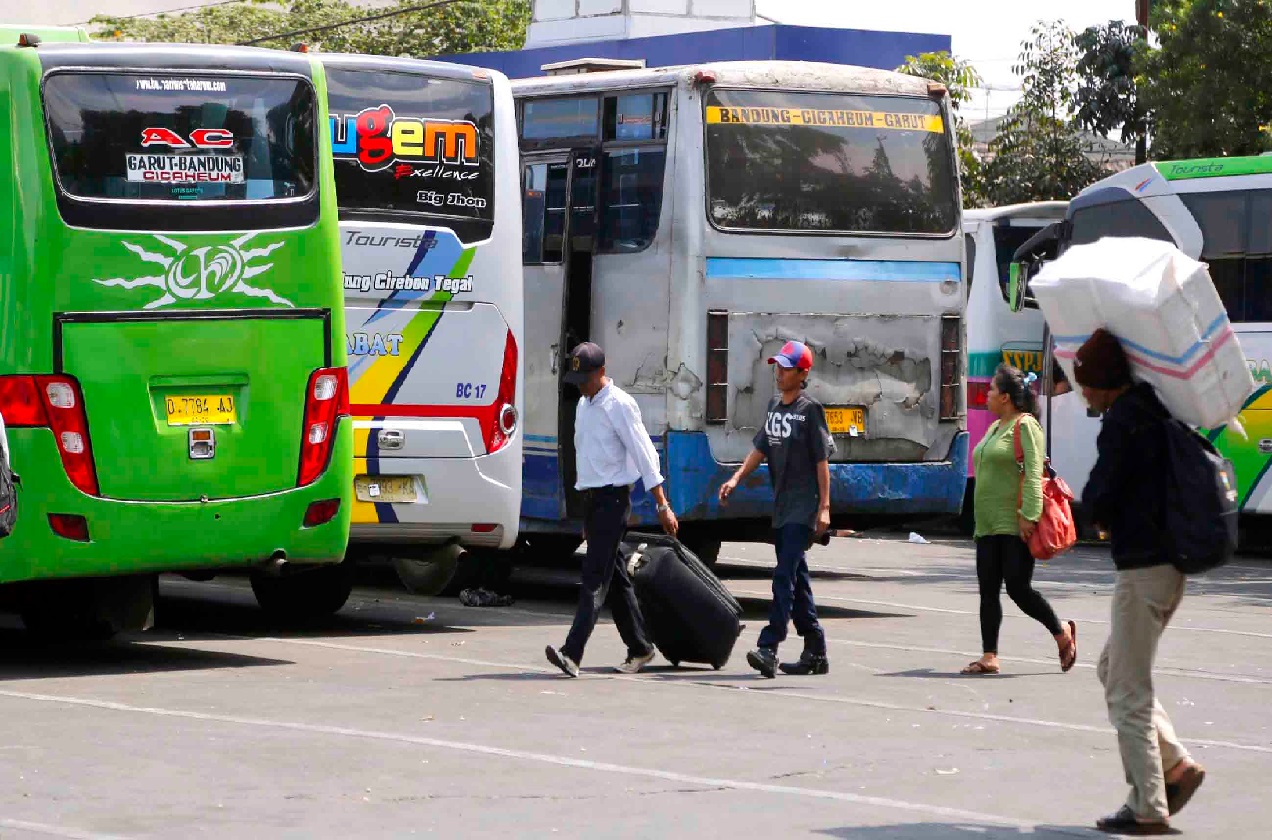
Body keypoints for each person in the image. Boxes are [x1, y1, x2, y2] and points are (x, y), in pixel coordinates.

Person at [1075, 329, 1206, 835]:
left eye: (1086, 383)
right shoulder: (1155, 410)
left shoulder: (1123, 423)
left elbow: (1101, 492)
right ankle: (1175, 763)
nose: (1083, 392)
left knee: (1127, 691)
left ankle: (1148, 805)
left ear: (1106, 380)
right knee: (1113, 667)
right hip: (1169, 567)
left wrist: (1086, 512)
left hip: (1144, 570)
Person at [545, 342, 678, 678]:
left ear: (601, 373)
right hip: (595, 502)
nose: (581, 385)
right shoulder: (583, 405)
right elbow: (587, 457)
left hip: (615, 500)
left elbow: (645, 454)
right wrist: (587, 513)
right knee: (616, 580)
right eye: (576, 379)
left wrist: (662, 504)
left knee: (593, 579)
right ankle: (641, 647)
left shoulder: (620, 405)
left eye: (585, 378)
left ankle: (572, 652)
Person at [718, 340, 832, 678]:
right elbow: (761, 448)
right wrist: (736, 478)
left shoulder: (810, 411)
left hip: (803, 506)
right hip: (782, 505)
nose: (778, 373)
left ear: (803, 372)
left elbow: (822, 461)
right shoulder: (774, 407)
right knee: (797, 576)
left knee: (783, 576)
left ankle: (769, 646)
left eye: (786, 367)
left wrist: (824, 508)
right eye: (777, 366)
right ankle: (815, 648)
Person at [961, 364, 1076, 676]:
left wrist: (1028, 515)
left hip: (1015, 523)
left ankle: (1060, 630)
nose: (988, 394)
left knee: (1017, 588)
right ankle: (989, 655)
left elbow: (1034, 473)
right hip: (987, 524)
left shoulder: (1026, 426)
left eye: (993, 390)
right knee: (988, 590)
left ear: (1007, 398)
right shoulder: (994, 428)